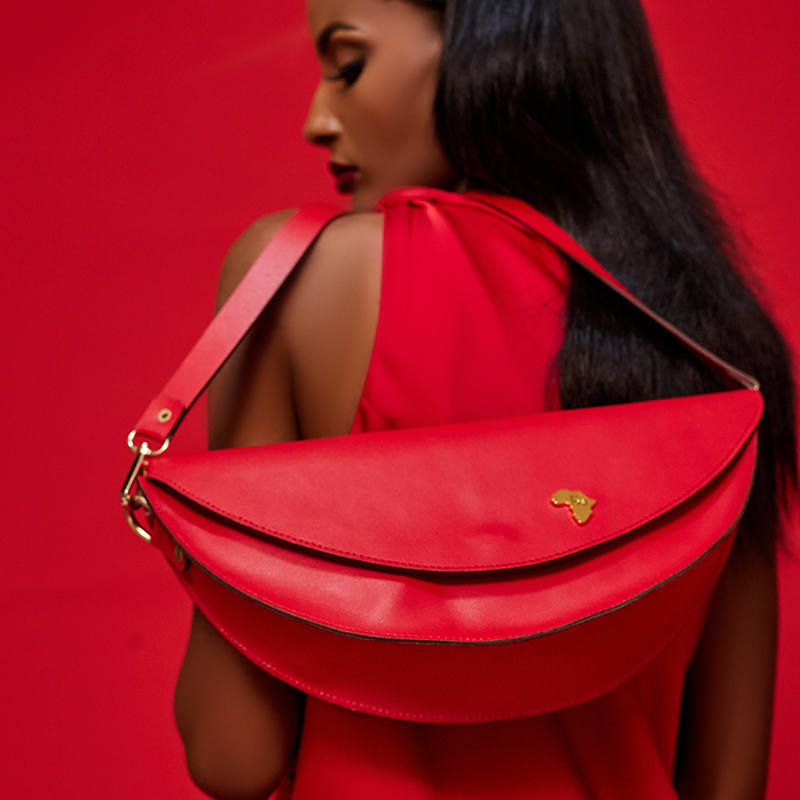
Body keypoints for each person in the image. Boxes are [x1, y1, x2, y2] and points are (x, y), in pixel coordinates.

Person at [173, 0, 797, 798]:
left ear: (488, 45)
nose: (318, 120)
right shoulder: (713, 340)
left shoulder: (300, 276)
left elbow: (232, 755)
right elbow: (730, 780)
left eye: (349, 65)